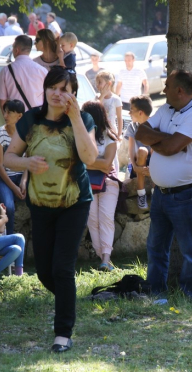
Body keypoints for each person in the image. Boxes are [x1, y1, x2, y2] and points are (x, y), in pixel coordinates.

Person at [4, 67, 98, 353]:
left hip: (74, 203)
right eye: (53, 87)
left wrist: (75, 118)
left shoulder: (83, 119)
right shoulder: (31, 119)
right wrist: (27, 163)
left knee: (62, 267)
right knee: (44, 271)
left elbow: (90, 157)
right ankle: (67, 300)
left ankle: (63, 332)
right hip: (40, 203)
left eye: (65, 89)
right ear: (45, 89)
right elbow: (9, 157)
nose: (58, 94)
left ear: (73, 94)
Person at [135, 70, 192, 300]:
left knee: (190, 249)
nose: (163, 89)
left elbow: (168, 148)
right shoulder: (166, 108)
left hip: (185, 194)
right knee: (156, 247)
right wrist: (171, 140)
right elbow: (140, 131)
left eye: (167, 85)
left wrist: (160, 139)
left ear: (179, 90)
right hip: (161, 194)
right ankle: (156, 291)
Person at [81, 101, 119, 271]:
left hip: (109, 182)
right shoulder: (82, 137)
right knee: (92, 219)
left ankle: (106, 258)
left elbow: (108, 164)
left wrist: (87, 162)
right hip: (88, 182)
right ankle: (102, 257)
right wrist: (98, 163)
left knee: (105, 218)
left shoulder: (109, 135)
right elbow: (79, 162)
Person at [0, 100, 27, 235]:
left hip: (20, 175)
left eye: (10, 112)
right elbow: (0, 166)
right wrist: (14, 188)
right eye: (5, 111)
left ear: (20, 116)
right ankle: (10, 239)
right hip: (0, 177)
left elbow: (27, 161)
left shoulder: (26, 134)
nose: (5, 115)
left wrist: (23, 182)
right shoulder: (0, 133)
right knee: (9, 207)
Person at [0, 35, 48, 115]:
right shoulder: (42, 71)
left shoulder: (6, 71)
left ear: (17, 50)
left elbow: (2, 101)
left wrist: (9, 121)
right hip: (37, 119)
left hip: (16, 120)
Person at [125, 95, 153, 209]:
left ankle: (155, 191)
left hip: (154, 160)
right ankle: (141, 194)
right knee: (142, 150)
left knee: (153, 151)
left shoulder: (154, 124)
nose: (129, 113)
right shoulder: (132, 126)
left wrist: (153, 168)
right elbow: (131, 148)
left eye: (131, 110)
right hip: (139, 159)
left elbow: (156, 148)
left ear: (140, 113)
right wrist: (134, 165)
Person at [96, 71, 123, 139]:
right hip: (100, 132)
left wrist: (119, 134)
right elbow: (95, 107)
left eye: (100, 82)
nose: (97, 85)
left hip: (112, 132)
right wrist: (102, 96)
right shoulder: (97, 97)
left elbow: (119, 118)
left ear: (109, 83)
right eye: (97, 83)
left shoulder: (116, 99)